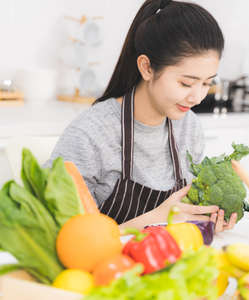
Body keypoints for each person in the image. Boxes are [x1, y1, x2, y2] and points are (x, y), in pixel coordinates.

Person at [47, 0, 237, 231]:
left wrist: (205, 220)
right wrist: (155, 218)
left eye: (207, 83)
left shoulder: (189, 127)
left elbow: (182, 222)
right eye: (186, 83)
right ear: (147, 67)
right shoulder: (91, 134)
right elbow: (66, 240)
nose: (197, 98)